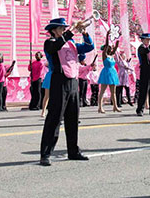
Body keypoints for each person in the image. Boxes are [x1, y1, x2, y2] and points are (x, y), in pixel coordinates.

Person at [39, 17, 94, 166]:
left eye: (65, 28)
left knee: (73, 118)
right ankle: (46, 153)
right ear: (54, 30)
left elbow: (89, 47)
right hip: (59, 81)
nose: (64, 30)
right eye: (61, 28)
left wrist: (84, 33)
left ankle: (73, 151)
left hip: (73, 81)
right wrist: (72, 30)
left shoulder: (71, 43)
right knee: (55, 118)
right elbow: (56, 46)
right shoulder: (49, 43)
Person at [97, 38, 122, 113]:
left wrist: (117, 45)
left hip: (113, 73)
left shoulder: (111, 55)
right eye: (109, 47)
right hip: (106, 72)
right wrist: (107, 35)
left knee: (113, 92)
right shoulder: (104, 55)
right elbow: (107, 45)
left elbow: (114, 49)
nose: (110, 48)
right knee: (102, 91)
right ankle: (100, 107)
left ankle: (115, 106)